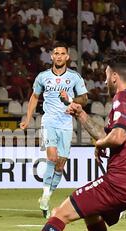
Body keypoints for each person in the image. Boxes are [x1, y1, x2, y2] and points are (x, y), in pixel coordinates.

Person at [0, 55, 126, 231]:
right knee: (91, 215)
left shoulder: (122, 99)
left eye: (107, 75)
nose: (105, 79)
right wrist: (80, 114)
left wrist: (100, 144)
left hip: (120, 181)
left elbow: (116, 138)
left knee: (60, 213)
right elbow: (107, 134)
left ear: (115, 76)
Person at [20, 42, 88, 218]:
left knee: (60, 164)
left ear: (67, 57)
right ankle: (44, 195)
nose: (58, 56)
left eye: (62, 53)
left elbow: (84, 99)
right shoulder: (43, 77)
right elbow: (34, 97)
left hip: (66, 123)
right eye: (56, 53)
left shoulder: (74, 77)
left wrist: (70, 98)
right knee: (52, 157)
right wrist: (28, 119)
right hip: (48, 121)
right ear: (51, 56)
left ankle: (47, 197)